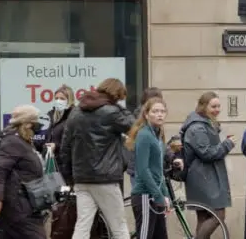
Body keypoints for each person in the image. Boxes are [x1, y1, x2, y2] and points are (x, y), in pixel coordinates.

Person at [60, 78, 134, 239]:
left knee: (82, 226)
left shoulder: (76, 112)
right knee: (119, 226)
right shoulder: (112, 112)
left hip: (81, 179)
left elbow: (65, 147)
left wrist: (69, 177)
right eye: (120, 97)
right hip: (105, 179)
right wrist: (120, 107)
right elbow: (133, 127)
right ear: (115, 95)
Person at [180, 91, 236, 238]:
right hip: (203, 177)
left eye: (218, 106)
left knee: (204, 217)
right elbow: (207, 153)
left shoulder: (204, 123)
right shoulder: (197, 127)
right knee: (218, 215)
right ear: (203, 106)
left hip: (203, 176)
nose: (217, 109)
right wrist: (227, 145)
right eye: (213, 106)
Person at [0, 105, 46, 239]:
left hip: (26, 204)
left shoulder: (23, 141)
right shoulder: (13, 142)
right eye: (35, 122)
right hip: (18, 206)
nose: (38, 126)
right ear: (27, 124)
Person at [126, 97, 170, 239]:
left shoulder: (158, 135)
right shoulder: (144, 135)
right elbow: (143, 169)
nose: (160, 114)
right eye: (155, 111)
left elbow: (159, 171)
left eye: (162, 111)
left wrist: (165, 195)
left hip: (155, 194)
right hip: (145, 195)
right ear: (146, 114)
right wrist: (158, 196)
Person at [127, 87, 163, 186]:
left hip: (146, 167)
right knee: (145, 199)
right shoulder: (142, 119)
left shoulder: (153, 120)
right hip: (142, 169)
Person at [44, 84, 75, 180]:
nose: (58, 101)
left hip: (67, 166)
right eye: (56, 98)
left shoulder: (73, 117)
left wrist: (56, 145)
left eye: (62, 98)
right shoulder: (52, 117)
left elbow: (74, 141)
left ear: (69, 100)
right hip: (52, 163)